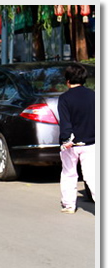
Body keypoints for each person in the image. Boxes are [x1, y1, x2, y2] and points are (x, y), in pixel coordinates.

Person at [57, 63, 95, 213]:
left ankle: (69, 205)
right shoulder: (94, 95)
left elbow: (65, 122)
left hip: (71, 144)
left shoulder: (64, 98)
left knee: (69, 173)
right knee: (92, 176)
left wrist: (66, 139)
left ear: (67, 80)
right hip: (92, 142)